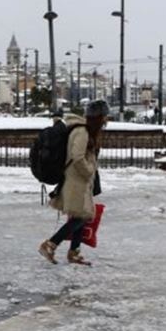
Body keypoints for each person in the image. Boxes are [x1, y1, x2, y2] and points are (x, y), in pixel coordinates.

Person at [38, 100, 109, 266]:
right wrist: (89, 170)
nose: (106, 120)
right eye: (104, 117)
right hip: (77, 180)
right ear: (98, 117)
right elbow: (77, 157)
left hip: (79, 181)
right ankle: (50, 244)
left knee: (81, 216)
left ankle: (74, 252)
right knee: (81, 217)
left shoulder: (83, 130)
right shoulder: (82, 132)